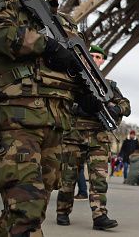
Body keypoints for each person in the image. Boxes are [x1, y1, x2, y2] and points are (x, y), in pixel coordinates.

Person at [0, 0, 90, 235]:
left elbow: (77, 72)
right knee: (25, 213)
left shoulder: (66, 24)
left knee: (30, 214)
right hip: (19, 124)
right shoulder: (8, 4)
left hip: (56, 127)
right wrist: (47, 45)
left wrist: (89, 95)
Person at [56, 44, 130, 230]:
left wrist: (114, 109)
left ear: (103, 60)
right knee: (68, 177)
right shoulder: (74, 81)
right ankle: (62, 211)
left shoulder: (108, 86)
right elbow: (60, 104)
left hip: (99, 138)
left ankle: (99, 216)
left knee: (99, 179)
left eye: (99, 57)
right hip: (74, 136)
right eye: (93, 56)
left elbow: (126, 105)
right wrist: (78, 107)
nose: (96, 59)